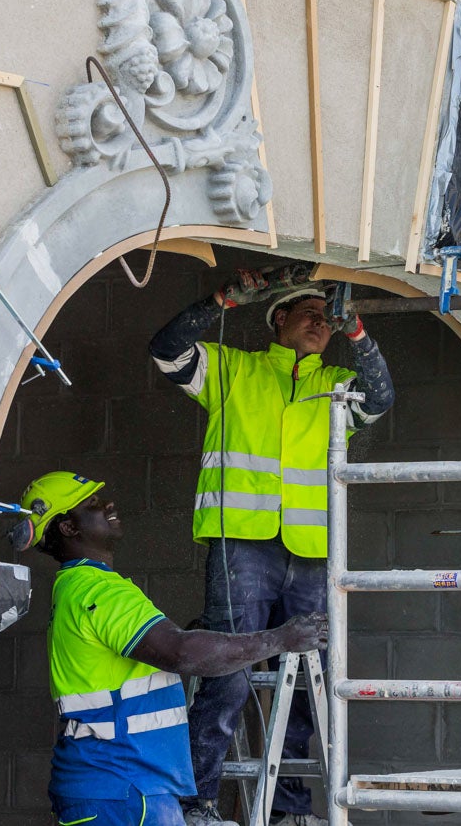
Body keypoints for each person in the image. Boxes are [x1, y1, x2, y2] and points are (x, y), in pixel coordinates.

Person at [150, 265, 394, 826]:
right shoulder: (233, 370)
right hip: (244, 547)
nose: (320, 322)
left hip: (311, 553)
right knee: (227, 676)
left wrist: (358, 332)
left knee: (308, 687)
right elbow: (166, 349)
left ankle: (287, 811)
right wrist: (222, 300)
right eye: (308, 311)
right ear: (278, 319)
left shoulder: (334, 382)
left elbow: (381, 398)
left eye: (326, 317)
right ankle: (195, 805)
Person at [13, 470, 329, 826]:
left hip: (117, 785)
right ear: (69, 528)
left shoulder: (77, 587)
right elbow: (180, 652)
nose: (109, 505)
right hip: (123, 789)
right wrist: (281, 640)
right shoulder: (96, 591)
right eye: (93, 504)